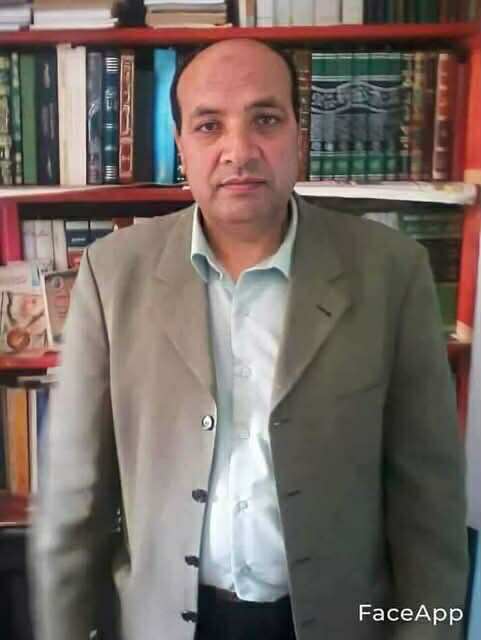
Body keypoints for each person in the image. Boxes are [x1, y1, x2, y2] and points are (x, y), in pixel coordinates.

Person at [31, 38, 468, 640]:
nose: (239, 151)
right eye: (209, 126)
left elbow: (430, 506)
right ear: (181, 146)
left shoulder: (392, 272)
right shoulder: (113, 273)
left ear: (298, 135)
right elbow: (72, 500)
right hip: (165, 624)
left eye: (265, 119)